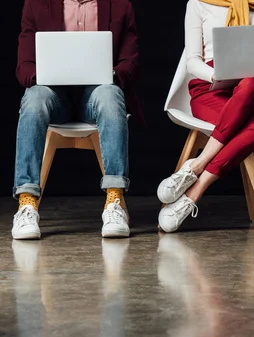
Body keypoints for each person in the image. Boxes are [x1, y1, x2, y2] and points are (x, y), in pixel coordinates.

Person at [13, 0, 141, 240]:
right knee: (33, 98)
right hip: (54, 97)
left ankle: (115, 201)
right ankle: (27, 203)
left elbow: (130, 61)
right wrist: (45, 74)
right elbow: (23, 65)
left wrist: (110, 73)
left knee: (111, 93)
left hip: (95, 98)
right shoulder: (36, 4)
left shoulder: (120, 5)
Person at [157, 0, 254, 233]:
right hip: (211, 88)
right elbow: (192, 61)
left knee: (249, 84)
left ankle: (195, 170)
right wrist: (220, 74)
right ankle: (194, 191)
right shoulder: (198, 4)